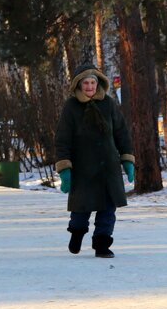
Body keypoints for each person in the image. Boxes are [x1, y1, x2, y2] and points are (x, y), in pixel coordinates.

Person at [54, 64, 134, 258]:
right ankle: (77, 233)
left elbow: (121, 132)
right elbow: (63, 139)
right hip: (83, 168)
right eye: (86, 83)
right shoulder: (71, 107)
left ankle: (102, 244)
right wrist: (65, 169)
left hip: (109, 168)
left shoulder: (108, 104)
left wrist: (127, 159)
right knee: (81, 208)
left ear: (98, 84)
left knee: (108, 210)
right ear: (78, 85)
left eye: (93, 82)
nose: (89, 86)